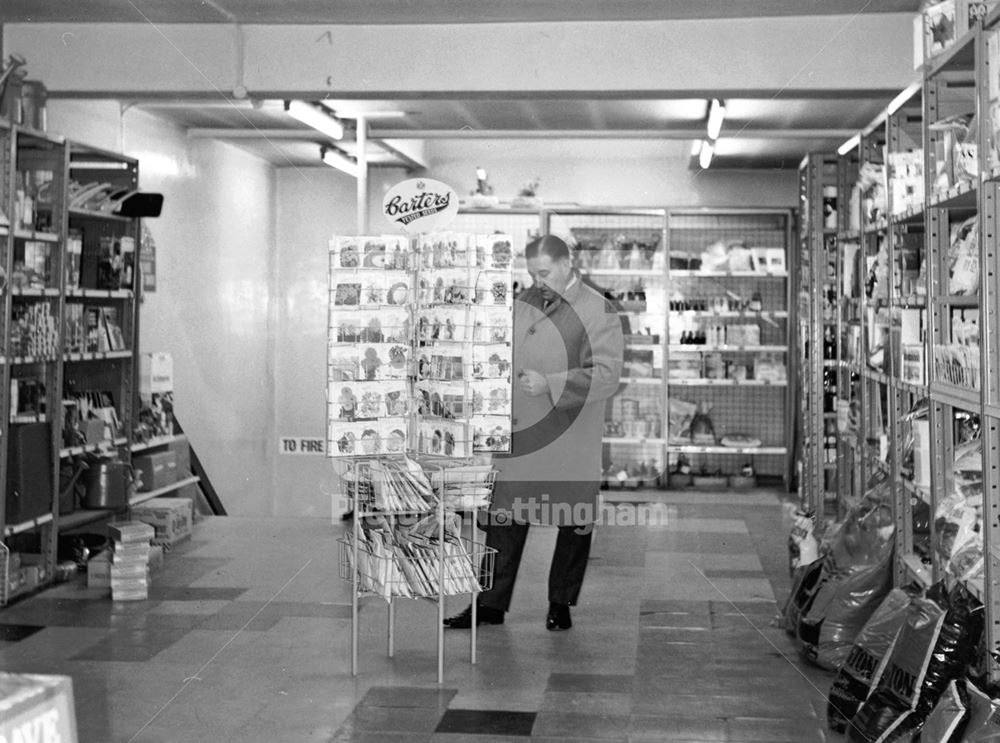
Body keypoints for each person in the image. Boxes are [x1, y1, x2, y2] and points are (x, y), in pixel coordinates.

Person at [444, 234, 624, 631]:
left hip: (570, 438)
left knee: (574, 523)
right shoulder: (521, 304)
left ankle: (561, 604)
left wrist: (553, 383)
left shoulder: (599, 311)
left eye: (544, 273)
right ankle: (489, 604)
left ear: (566, 265)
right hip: (522, 436)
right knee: (502, 519)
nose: (537, 282)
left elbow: (608, 375)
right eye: (531, 274)